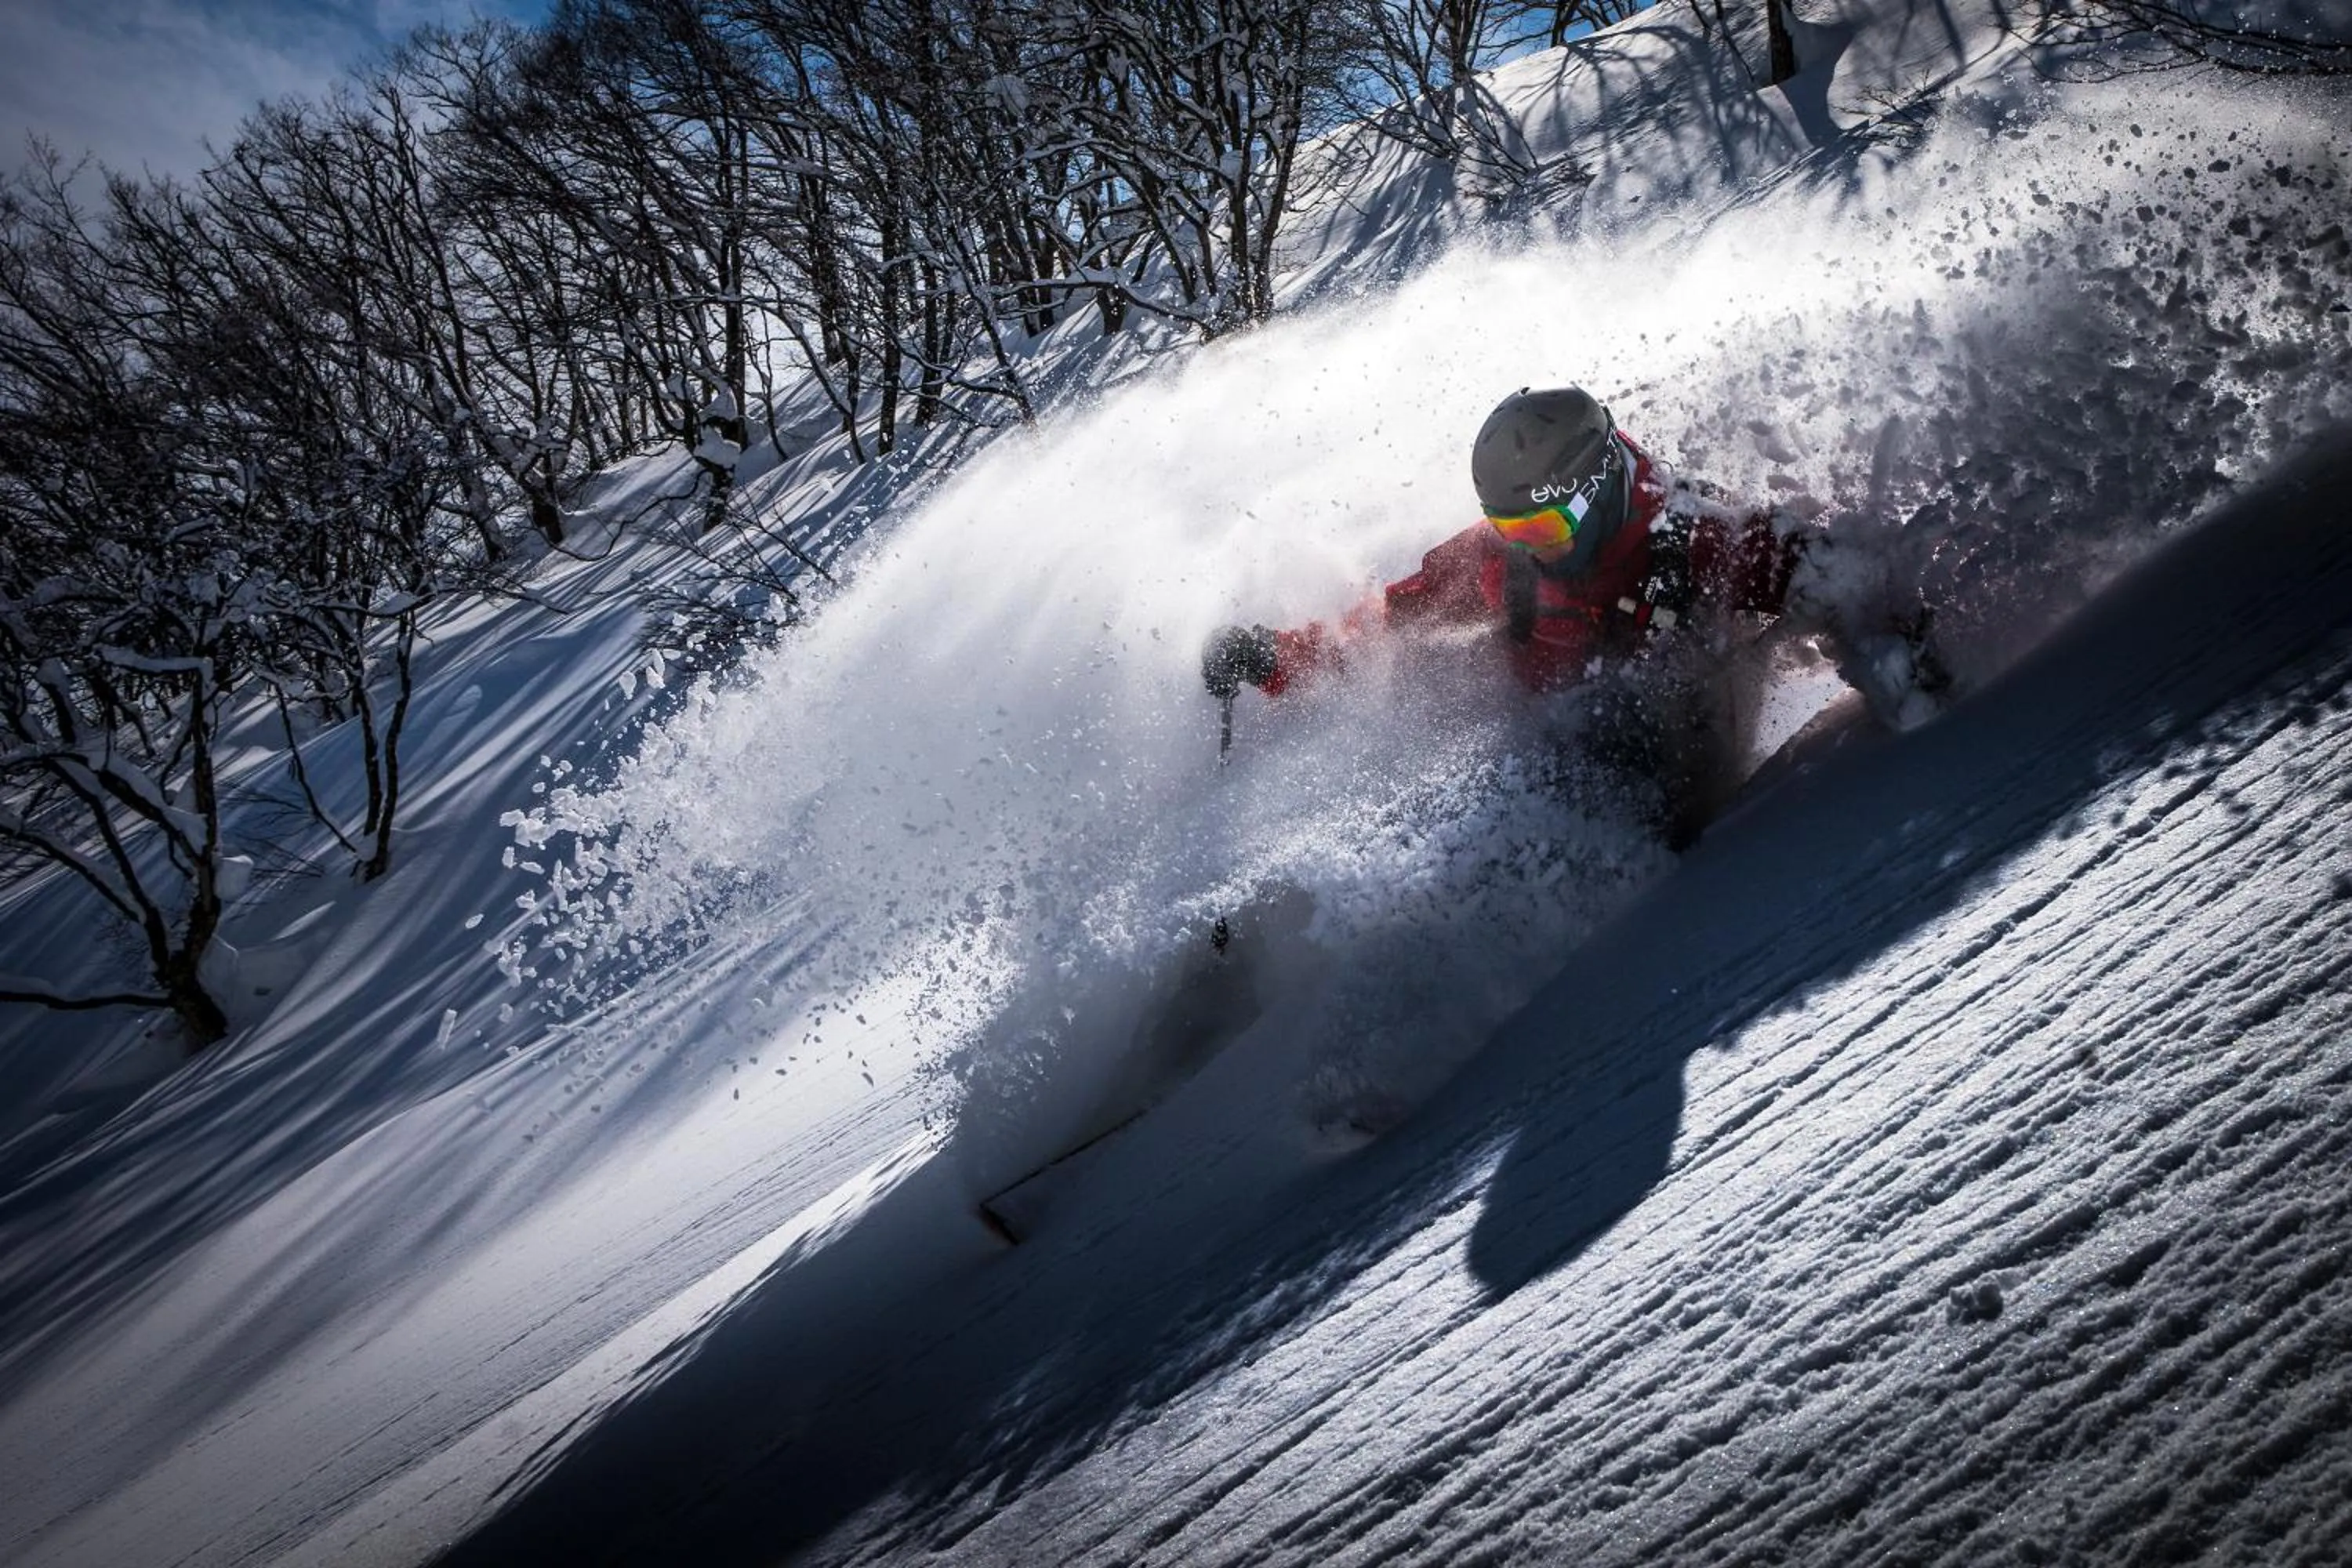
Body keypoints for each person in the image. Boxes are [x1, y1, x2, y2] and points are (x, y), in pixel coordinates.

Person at [1201, 387, 1946, 835]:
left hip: (1670, 766)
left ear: (1592, 492)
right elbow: (1393, 621)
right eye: (1509, 530)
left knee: (1606, 725)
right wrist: (1276, 659)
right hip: (1554, 744)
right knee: (1440, 700)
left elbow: (1834, 573)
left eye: (1543, 530)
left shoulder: (1699, 538)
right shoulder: (1505, 558)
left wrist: (1897, 652)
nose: (1528, 548)